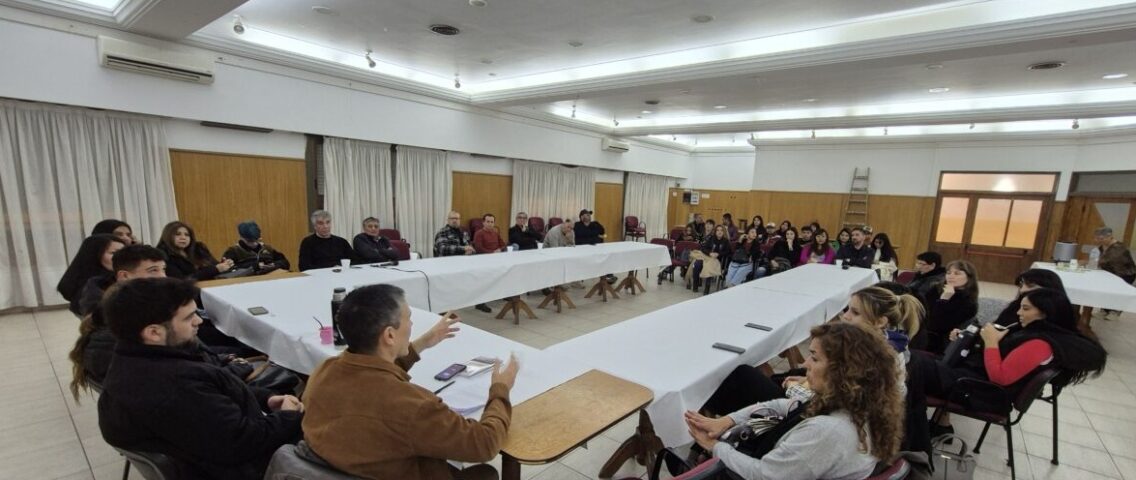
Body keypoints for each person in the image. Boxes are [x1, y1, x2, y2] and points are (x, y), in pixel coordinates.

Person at [302, 284, 519, 480]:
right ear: (389, 335)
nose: (412, 324)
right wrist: (500, 389)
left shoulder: (324, 371)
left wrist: (423, 342)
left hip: (343, 466)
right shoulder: (413, 406)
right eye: (408, 318)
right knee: (486, 473)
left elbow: (371, 376)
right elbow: (484, 445)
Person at [98, 278, 303, 480]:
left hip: (220, 449)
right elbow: (241, 443)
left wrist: (265, 399)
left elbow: (218, 393)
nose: (199, 320)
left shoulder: (135, 357)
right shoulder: (175, 385)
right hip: (246, 467)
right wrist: (288, 417)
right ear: (154, 333)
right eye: (188, 318)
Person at [686, 322, 904, 480]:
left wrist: (715, 447)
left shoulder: (828, 431)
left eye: (815, 358)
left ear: (844, 371)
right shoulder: (861, 403)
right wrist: (728, 421)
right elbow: (787, 405)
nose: (806, 363)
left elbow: (764, 475)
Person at [920, 288, 1107, 438]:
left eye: (1026, 309)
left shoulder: (1040, 343)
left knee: (909, 365)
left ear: (1045, 314)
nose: (1018, 312)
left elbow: (1000, 377)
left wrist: (992, 343)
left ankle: (913, 438)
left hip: (980, 392)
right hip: (973, 381)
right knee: (909, 360)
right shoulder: (1032, 332)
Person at [76, 244, 167, 317]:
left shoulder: (159, 294)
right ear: (124, 276)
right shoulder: (108, 314)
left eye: (163, 269)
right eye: (153, 270)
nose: (163, 276)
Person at [57, 234, 127, 316]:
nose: (123, 257)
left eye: (125, 252)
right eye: (114, 253)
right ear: (95, 255)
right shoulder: (94, 288)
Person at [925, 260, 979, 354]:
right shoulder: (935, 289)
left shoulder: (968, 302)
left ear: (969, 278)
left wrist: (943, 300)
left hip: (937, 343)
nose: (951, 276)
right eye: (948, 273)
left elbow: (935, 325)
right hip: (920, 332)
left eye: (957, 273)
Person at [158, 221, 234, 281]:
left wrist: (224, 265)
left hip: (210, 288)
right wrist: (216, 269)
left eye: (187, 235)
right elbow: (181, 280)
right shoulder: (163, 255)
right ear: (167, 236)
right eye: (178, 234)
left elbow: (213, 266)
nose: (183, 238)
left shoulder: (198, 248)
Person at [994, 269, 1072, 327]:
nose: (1022, 290)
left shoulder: (1059, 316)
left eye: (1031, 286)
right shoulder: (1015, 306)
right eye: (1021, 286)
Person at [1094, 226, 1136, 320]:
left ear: (1110, 236)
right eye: (1097, 238)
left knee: (1117, 293)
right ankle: (1104, 310)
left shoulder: (1119, 248)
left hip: (1125, 274)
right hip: (1110, 273)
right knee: (1105, 291)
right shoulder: (1103, 246)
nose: (1098, 240)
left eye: (1101, 238)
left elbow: (1106, 261)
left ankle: (1115, 312)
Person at [223, 221, 291, 273]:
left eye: (257, 240)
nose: (255, 243)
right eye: (250, 241)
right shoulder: (233, 251)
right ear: (241, 237)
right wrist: (255, 266)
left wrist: (274, 265)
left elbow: (285, 262)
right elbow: (227, 270)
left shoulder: (267, 249)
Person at [687, 224, 730, 295]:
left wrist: (718, 254)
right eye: (718, 230)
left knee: (709, 266)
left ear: (724, 232)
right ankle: (695, 285)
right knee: (697, 264)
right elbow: (703, 248)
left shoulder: (726, 241)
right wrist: (710, 253)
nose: (719, 232)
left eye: (721, 230)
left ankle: (707, 287)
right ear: (715, 231)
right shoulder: (711, 238)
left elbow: (728, 252)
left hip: (717, 260)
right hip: (706, 256)